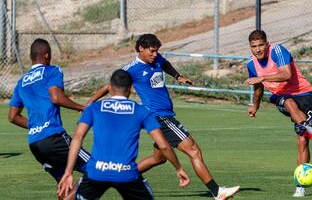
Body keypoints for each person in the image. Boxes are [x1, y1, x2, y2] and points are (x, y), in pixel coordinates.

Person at [87, 34, 240, 200]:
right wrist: (89, 103)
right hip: (160, 117)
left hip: (162, 115)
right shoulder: (132, 69)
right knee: (194, 150)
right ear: (140, 49)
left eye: (157, 51)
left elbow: (165, 64)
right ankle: (217, 192)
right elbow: (109, 86)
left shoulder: (157, 59)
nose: (155, 54)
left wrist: (178, 76)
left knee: (158, 159)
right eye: (152, 51)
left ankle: (117, 176)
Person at [57, 69, 190, 200]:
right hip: (126, 173)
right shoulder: (142, 111)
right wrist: (178, 168)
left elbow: (77, 138)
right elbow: (164, 146)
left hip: (96, 172)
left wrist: (68, 172)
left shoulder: (93, 108)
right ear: (131, 88)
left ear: (110, 88)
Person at [8, 38, 90, 199]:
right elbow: (56, 97)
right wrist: (82, 108)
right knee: (97, 169)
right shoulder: (52, 71)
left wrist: (35, 126)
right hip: (54, 138)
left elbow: (12, 117)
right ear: (46, 56)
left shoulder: (21, 82)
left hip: (35, 144)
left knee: (64, 186)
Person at [244, 30, 312, 197]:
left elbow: (287, 74)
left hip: (303, 94)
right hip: (281, 97)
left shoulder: (277, 51)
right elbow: (258, 89)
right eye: (254, 46)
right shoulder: (251, 64)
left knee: (302, 141)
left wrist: (262, 78)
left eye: (261, 45)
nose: (258, 50)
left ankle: (300, 185)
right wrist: (254, 106)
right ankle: (305, 124)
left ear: (267, 43)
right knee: (288, 102)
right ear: (250, 47)